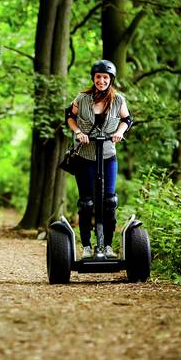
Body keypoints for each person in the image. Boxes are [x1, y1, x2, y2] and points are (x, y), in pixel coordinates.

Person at [65, 60, 133, 259]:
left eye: (105, 77)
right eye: (98, 77)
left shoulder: (118, 100)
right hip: (85, 156)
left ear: (111, 79)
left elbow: (127, 120)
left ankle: (108, 245)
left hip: (108, 156)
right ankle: (86, 246)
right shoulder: (83, 98)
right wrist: (78, 131)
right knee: (86, 202)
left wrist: (120, 132)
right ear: (93, 78)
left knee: (109, 201)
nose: (101, 81)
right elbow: (69, 116)